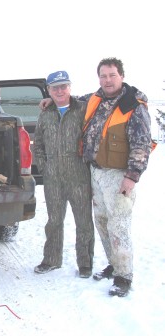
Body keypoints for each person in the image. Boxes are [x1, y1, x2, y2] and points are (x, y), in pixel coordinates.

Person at [40, 58, 152, 297]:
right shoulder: (96, 98)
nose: (107, 80)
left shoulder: (134, 105)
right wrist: (52, 100)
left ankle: (124, 277)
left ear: (121, 75)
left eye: (112, 75)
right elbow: (71, 99)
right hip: (95, 171)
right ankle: (114, 264)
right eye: (103, 76)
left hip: (119, 175)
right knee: (101, 221)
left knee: (118, 225)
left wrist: (132, 176)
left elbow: (141, 144)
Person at [33, 71, 94, 278]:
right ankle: (51, 259)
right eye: (55, 87)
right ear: (48, 90)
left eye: (63, 86)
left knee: (84, 222)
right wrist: (44, 167)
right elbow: (38, 143)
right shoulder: (46, 112)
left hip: (79, 176)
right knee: (54, 221)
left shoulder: (83, 109)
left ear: (70, 87)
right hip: (53, 178)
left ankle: (85, 263)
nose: (60, 91)